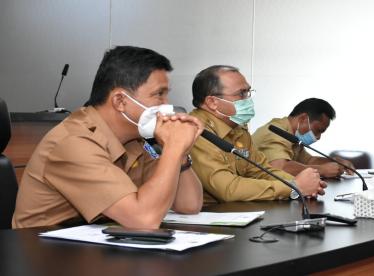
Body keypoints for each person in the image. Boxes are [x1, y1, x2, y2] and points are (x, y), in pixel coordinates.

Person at [12, 46, 204, 229]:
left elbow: (189, 204)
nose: (166, 105)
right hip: (46, 254)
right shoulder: (74, 142)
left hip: (96, 248)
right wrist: (173, 147)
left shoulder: (137, 140)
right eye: (159, 95)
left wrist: (180, 153)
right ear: (120, 101)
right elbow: (144, 219)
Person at [189, 65, 326, 203]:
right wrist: (293, 187)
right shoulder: (195, 130)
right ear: (212, 102)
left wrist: (300, 184)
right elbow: (227, 188)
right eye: (241, 93)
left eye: (249, 92)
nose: (248, 100)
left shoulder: (237, 129)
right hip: (203, 216)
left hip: (234, 212)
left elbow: (261, 170)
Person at [252, 98, 355, 178]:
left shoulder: (292, 135)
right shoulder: (276, 132)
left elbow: (309, 161)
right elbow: (280, 168)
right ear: (303, 119)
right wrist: (321, 170)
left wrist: (335, 161)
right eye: (318, 130)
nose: (318, 137)